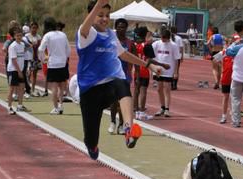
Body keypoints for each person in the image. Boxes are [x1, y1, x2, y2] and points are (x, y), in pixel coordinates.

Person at [76, 0, 163, 160]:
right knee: (90, 139)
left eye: (107, 15)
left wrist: (148, 65)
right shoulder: (87, 34)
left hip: (108, 87)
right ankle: (92, 145)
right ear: (91, 15)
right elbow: (84, 28)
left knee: (122, 83)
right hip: (90, 93)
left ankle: (128, 129)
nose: (104, 19)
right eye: (100, 15)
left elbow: (123, 54)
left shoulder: (110, 34)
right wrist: (98, 5)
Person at [38, 17, 71, 115]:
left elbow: (40, 49)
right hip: (63, 64)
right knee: (62, 87)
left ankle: (55, 108)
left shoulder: (47, 35)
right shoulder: (63, 34)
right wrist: (65, 58)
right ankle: (61, 105)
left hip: (53, 64)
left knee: (54, 87)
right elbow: (68, 50)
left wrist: (43, 59)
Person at [108, 18, 136, 135]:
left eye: (123, 27)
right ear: (116, 28)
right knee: (113, 101)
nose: (121, 29)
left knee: (122, 102)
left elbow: (135, 60)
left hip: (125, 76)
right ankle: (112, 122)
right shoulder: (111, 41)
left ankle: (121, 124)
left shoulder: (130, 43)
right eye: (119, 27)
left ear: (126, 28)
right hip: (112, 75)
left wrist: (137, 75)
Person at [152, 28, 180, 117]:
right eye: (162, 37)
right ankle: (162, 107)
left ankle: (167, 109)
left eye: (164, 38)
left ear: (168, 38)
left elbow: (176, 60)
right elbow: (150, 53)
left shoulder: (173, 45)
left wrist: (176, 72)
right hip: (158, 70)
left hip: (168, 71)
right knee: (159, 89)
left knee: (167, 89)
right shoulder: (157, 44)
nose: (163, 39)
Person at [6, 27, 26, 115]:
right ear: (14, 36)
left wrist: (23, 69)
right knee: (12, 89)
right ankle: (9, 107)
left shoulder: (22, 45)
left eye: (20, 35)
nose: (19, 37)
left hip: (20, 70)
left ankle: (20, 105)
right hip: (13, 70)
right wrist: (19, 71)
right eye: (17, 36)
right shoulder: (12, 46)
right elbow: (14, 60)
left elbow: (22, 58)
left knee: (22, 88)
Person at [216, 38, 233, 124]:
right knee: (225, 97)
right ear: (226, 44)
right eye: (229, 43)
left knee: (234, 98)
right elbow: (215, 60)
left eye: (232, 43)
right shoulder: (223, 53)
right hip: (225, 78)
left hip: (234, 78)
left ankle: (234, 116)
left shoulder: (235, 53)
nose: (230, 45)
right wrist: (222, 67)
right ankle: (224, 116)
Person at [26, 22, 42, 97]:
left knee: (35, 74)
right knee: (28, 74)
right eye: (33, 28)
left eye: (35, 28)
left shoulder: (39, 37)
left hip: (36, 58)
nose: (34, 29)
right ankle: (27, 89)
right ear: (30, 28)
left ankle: (32, 89)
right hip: (29, 57)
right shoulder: (26, 36)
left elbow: (40, 47)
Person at [170, 26, 184, 90]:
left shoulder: (169, 38)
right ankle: (175, 84)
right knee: (176, 70)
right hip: (177, 56)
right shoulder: (179, 38)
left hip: (170, 56)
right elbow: (181, 48)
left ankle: (171, 83)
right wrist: (182, 56)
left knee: (170, 70)